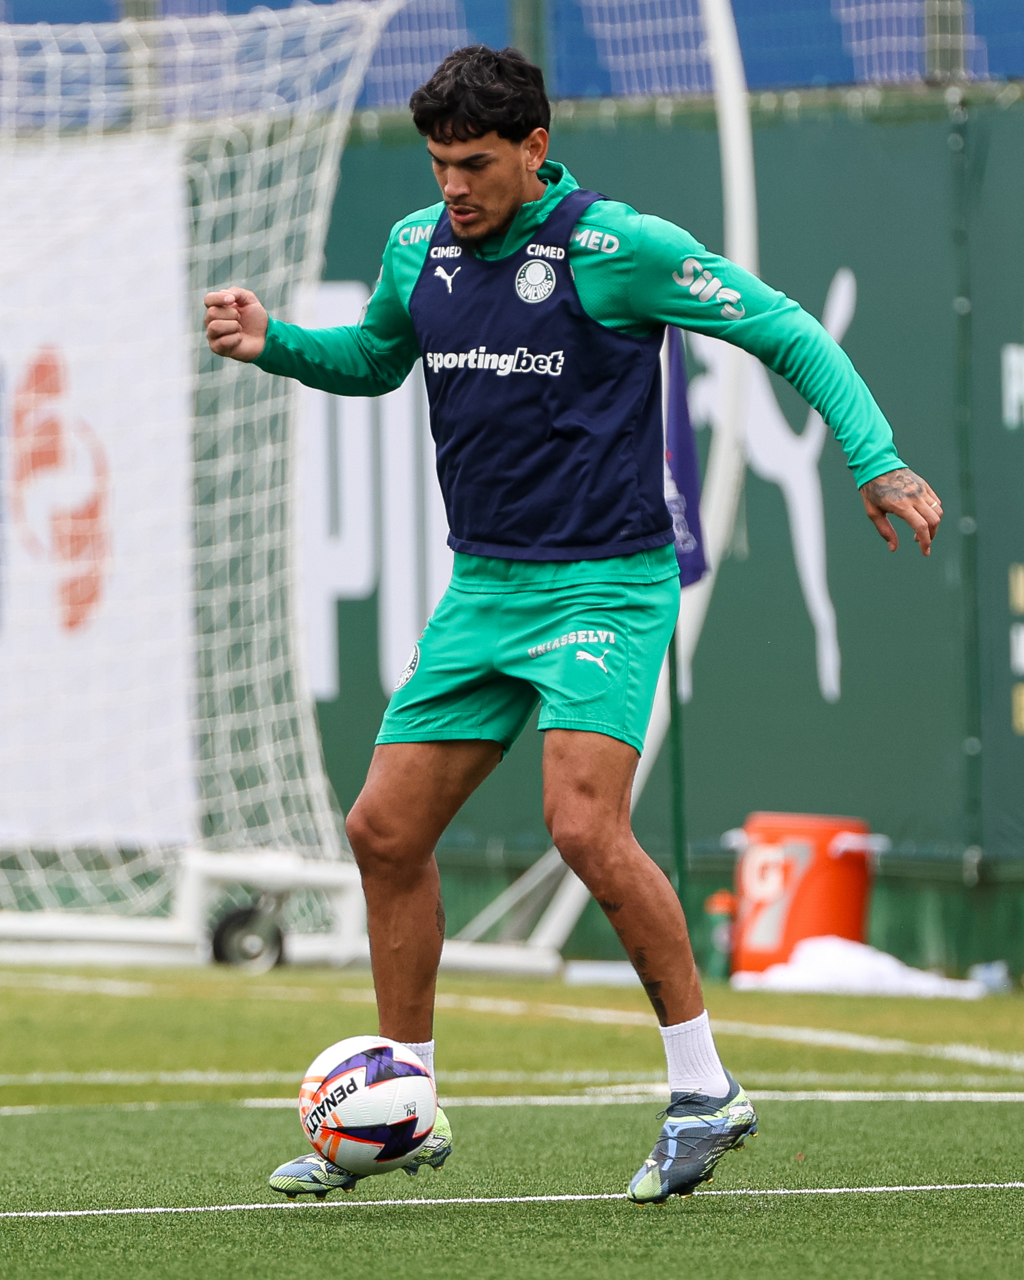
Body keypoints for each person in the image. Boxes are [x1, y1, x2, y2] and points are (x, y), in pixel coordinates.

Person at [204, 45, 942, 1204]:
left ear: (535, 147)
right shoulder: (417, 246)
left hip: (606, 584)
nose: (453, 186)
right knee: (383, 829)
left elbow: (783, 327)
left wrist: (876, 456)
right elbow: (379, 357)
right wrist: (277, 344)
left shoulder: (614, 248)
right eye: (440, 163)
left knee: (583, 824)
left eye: (476, 163)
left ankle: (703, 1090)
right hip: (485, 588)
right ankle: (405, 1103)